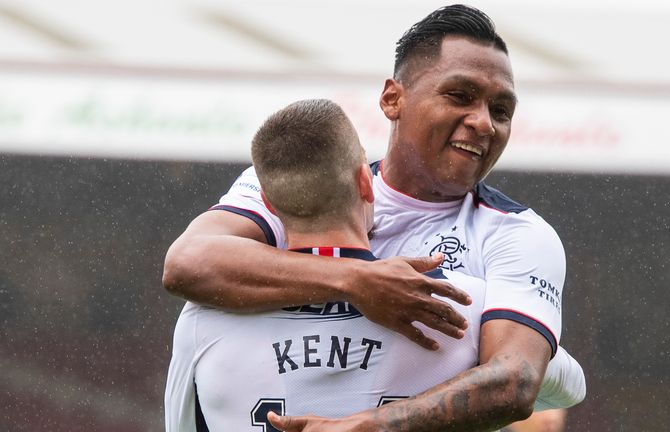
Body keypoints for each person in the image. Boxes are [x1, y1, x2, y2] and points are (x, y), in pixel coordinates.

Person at [163, 4, 584, 430]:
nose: (483, 123)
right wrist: (357, 281)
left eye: (501, 110)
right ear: (392, 98)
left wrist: (367, 426)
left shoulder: (519, 235)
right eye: (460, 96)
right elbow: (186, 264)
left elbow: (516, 380)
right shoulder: (312, 178)